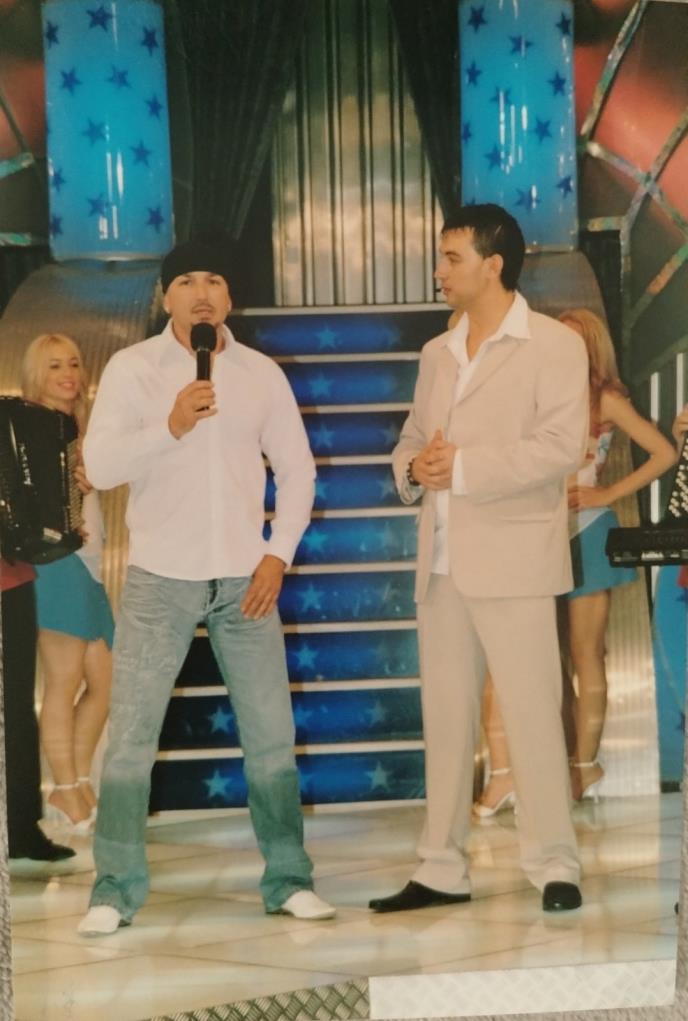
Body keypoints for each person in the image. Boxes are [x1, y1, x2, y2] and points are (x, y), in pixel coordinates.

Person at [77, 236, 335, 936]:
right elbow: (100, 465)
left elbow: (299, 470)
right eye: (187, 280)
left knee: (272, 737)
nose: (201, 293)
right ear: (165, 296)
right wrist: (170, 426)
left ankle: (289, 878)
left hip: (246, 577)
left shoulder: (260, 373)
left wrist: (278, 555)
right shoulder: (134, 369)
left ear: (229, 297)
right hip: (160, 577)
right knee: (131, 740)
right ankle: (114, 889)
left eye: (214, 280)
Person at [368, 203, 589, 915]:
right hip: (441, 560)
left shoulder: (554, 344)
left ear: (493, 265)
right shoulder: (439, 351)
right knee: (446, 718)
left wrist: (461, 468)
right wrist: (414, 469)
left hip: (515, 555)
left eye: (451, 258)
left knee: (532, 714)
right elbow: (412, 438)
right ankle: (440, 866)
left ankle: (555, 863)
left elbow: (560, 447)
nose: (440, 270)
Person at [474, 309, 677, 813]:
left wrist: (605, 493)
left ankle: (584, 765)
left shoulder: (604, 399)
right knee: (520, 656)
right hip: (532, 534)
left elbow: (664, 452)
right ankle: (507, 774)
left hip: (585, 532)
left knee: (588, 655)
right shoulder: (531, 390)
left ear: (590, 348)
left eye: (570, 342)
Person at [21, 334, 114, 832]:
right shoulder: (28, 426)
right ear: (36, 373)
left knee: (105, 681)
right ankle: (65, 787)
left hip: (88, 565)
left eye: (74, 363)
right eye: (55, 365)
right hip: (56, 563)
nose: (69, 374)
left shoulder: (75, 426)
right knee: (64, 679)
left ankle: (74, 782)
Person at [2, 556, 75, 862]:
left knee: (16, 708)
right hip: (11, 580)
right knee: (16, 708)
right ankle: (21, 830)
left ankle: (21, 828)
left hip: (10, 579)